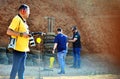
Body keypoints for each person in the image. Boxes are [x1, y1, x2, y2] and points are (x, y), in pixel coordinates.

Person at [6, 4, 31, 79]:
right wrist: (21, 34)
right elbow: (9, 32)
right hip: (18, 49)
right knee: (15, 69)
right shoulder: (17, 19)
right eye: (28, 11)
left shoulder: (23, 21)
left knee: (21, 70)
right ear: (23, 11)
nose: (29, 13)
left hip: (23, 50)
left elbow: (23, 34)